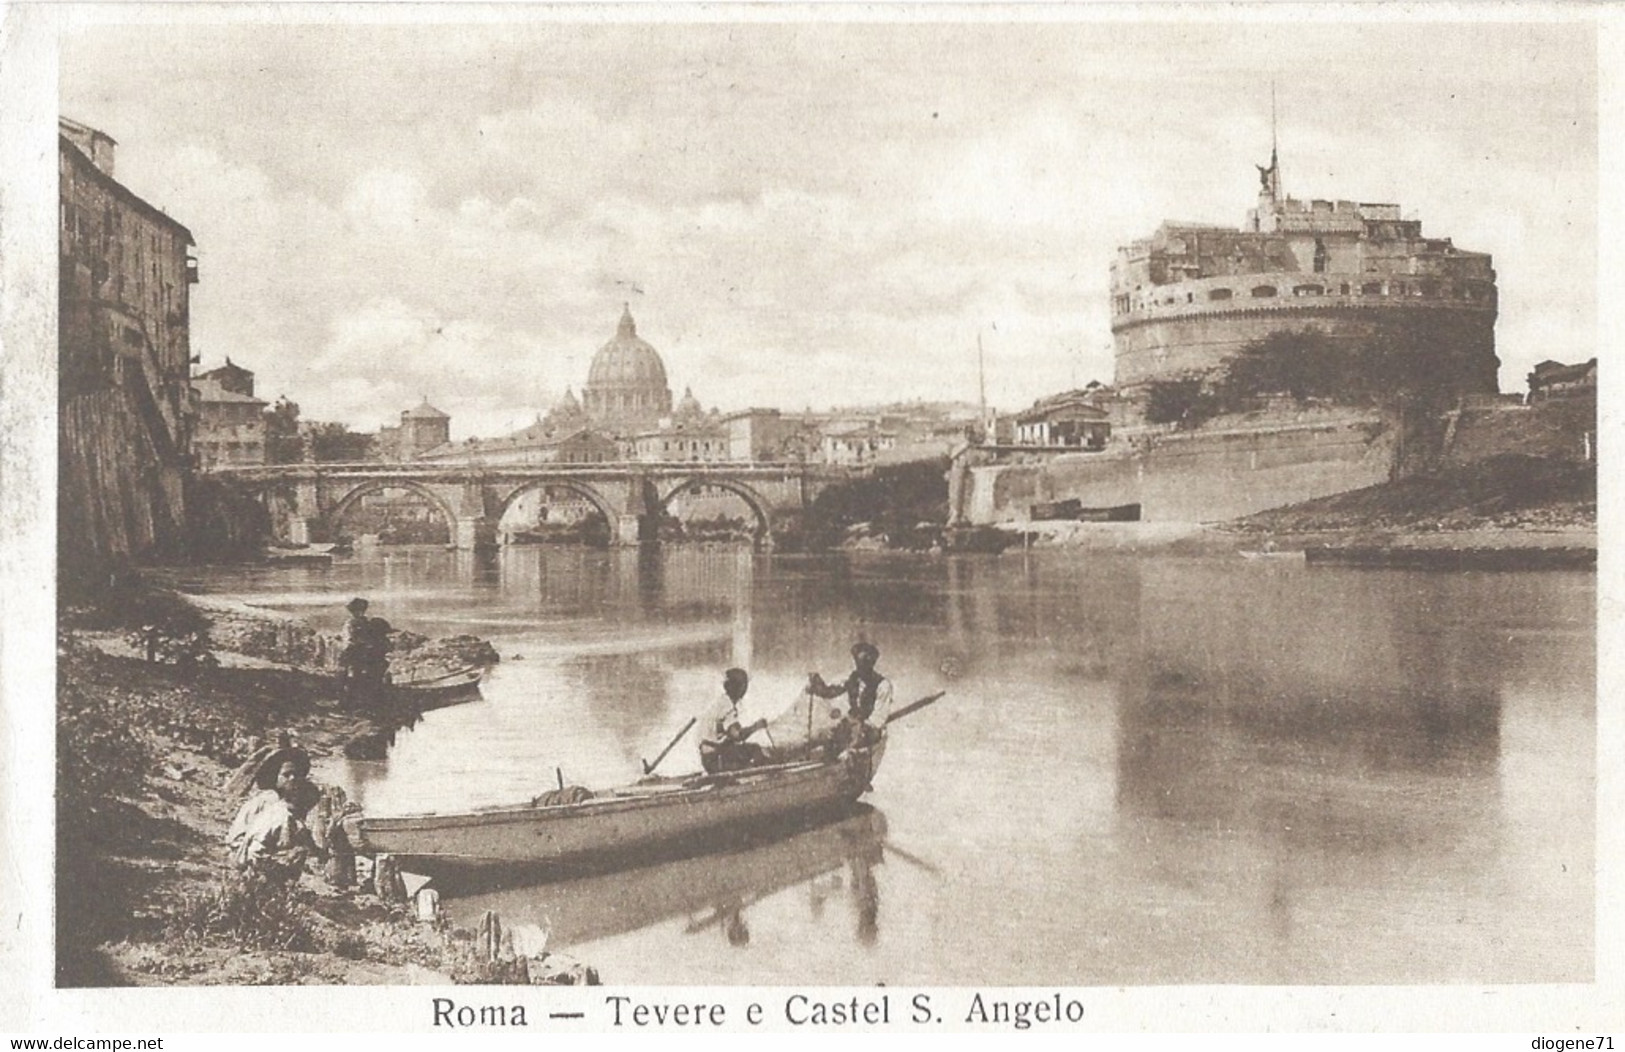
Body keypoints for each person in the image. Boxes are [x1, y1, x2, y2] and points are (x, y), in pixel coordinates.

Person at [225, 743, 321, 879]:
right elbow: (239, 839)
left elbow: (301, 832)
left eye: (296, 774)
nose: (293, 779)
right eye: (286, 775)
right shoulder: (264, 802)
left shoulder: (293, 801)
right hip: (248, 856)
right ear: (274, 777)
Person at [807, 642, 893, 755]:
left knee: (849, 748)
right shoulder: (853, 678)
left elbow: (878, 718)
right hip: (853, 724)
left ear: (871, 664)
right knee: (828, 739)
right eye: (857, 663)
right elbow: (832, 691)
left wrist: (859, 729)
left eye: (862, 664)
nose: (859, 668)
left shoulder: (883, 685)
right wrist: (818, 686)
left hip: (870, 729)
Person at [699, 668, 770, 774]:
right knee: (755, 749)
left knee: (745, 750)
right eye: (744, 685)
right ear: (739, 687)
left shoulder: (721, 702)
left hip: (708, 758)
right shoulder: (727, 707)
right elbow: (737, 735)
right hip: (716, 759)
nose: (746, 688)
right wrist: (757, 726)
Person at [339, 597, 391, 704]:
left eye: (361, 610)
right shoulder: (351, 624)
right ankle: (354, 698)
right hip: (355, 653)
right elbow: (350, 641)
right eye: (357, 610)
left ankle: (369, 695)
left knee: (373, 671)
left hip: (362, 653)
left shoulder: (363, 622)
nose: (360, 612)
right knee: (355, 674)